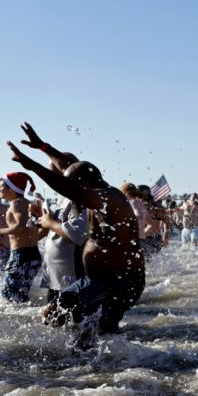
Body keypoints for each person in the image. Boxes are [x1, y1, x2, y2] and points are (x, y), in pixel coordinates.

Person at [8, 138, 144, 336]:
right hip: (95, 279)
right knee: (55, 313)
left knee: (95, 330)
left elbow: (69, 186)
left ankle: (114, 364)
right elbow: (69, 170)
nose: (65, 191)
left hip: (118, 281)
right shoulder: (94, 193)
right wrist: (44, 148)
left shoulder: (107, 197)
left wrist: (31, 165)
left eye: (71, 186)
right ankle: (88, 358)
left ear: (85, 185)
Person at [0, 171, 42, 303]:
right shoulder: (28, 203)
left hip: (21, 256)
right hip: (33, 256)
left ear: (11, 188)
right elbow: (39, 228)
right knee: (19, 297)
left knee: (9, 297)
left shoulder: (16, 203)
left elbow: (19, 226)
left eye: (1, 186)